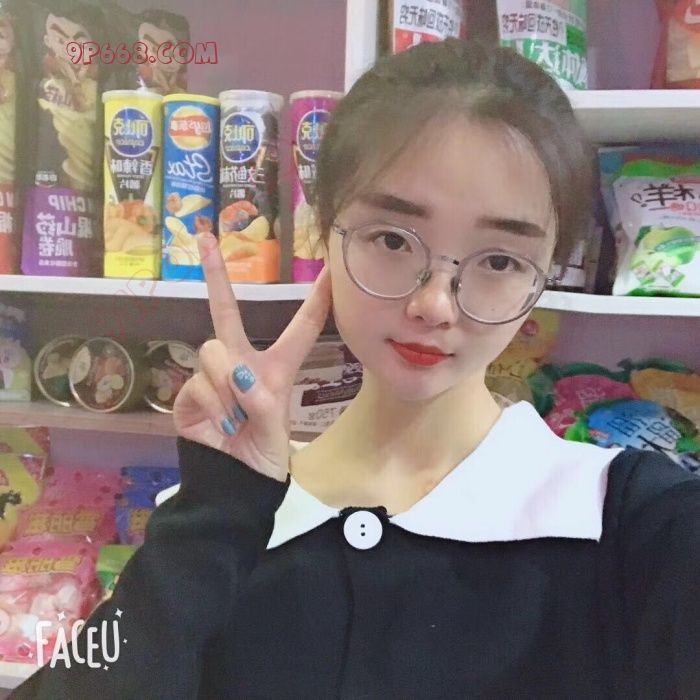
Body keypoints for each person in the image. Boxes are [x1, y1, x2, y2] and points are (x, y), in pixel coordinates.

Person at [10, 39, 700, 700]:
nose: (434, 305)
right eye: (393, 239)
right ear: (322, 232)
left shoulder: (636, 523)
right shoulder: (213, 528)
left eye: (499, 260)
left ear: (545, 275)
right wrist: (216, 513)